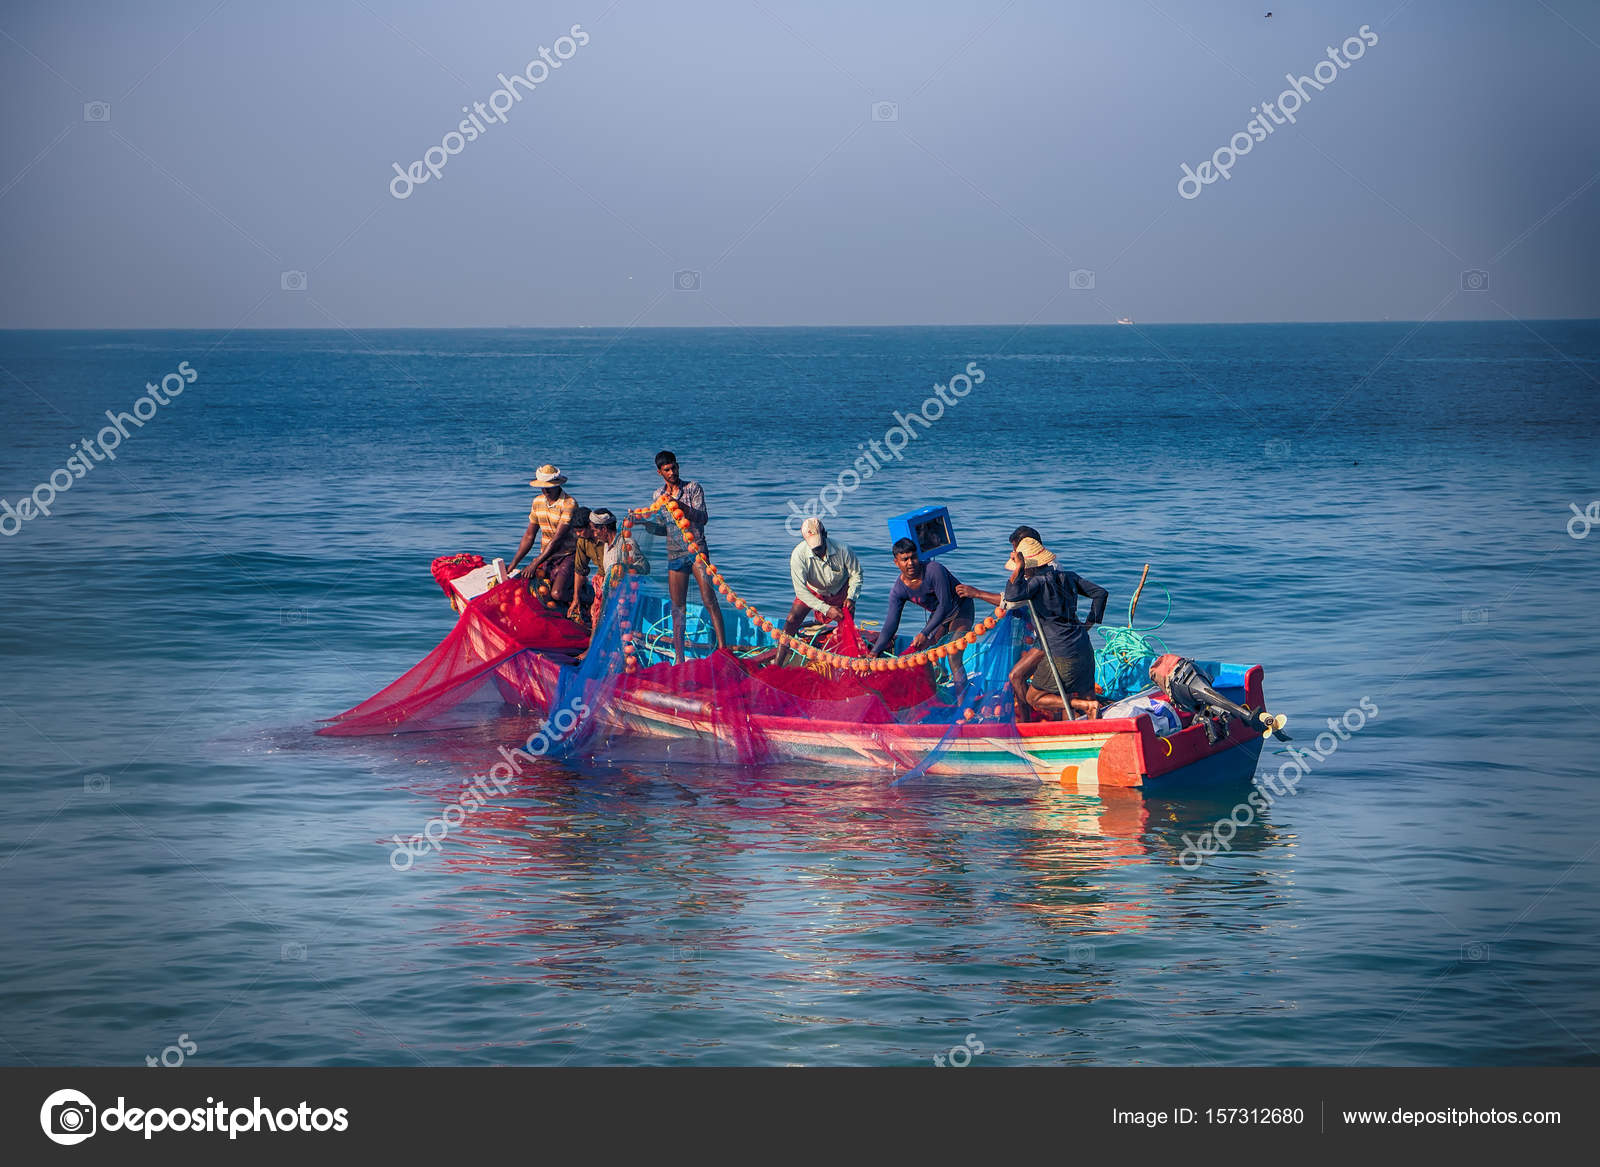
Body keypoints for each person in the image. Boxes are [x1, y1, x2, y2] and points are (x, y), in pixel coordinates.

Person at [999, 537, 1108, 719]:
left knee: (1033, 697)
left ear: (1029, 567)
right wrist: (1089, 622)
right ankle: (1093, 726)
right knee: (1088, 693)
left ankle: (1083, 705)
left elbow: (1011, 596)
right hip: (1083, 646)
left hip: (1060, 652)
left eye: (1024, 570)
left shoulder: (1037, 583)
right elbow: (1100, 593)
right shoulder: (1069, 576)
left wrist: (1018, 568)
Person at [644, 450, 727, 662]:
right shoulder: (658, 496)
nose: (672, 472)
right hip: (675, 554)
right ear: (659, 472)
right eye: (667, 470)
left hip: (697, 551)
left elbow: (703, 517)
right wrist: (645, 523)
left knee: (709, 599)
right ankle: (679, 657)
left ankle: (723, 651)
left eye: (674, 467)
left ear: (678, 466)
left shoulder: (693, 488)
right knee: (677, 607)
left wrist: (681, 506)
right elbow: (663, 528)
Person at [957, 525, 1046, 718]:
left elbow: (1011, 600)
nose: (1013, 555)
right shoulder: (1042, 569)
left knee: (1016, 676)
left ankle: (1026, 722)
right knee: (1020, 676)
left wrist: (977, 593)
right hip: (1041, 635)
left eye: (1016, 551)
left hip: (1047, 640)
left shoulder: (1039, 576)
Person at [869, 537, 975, 692]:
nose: (910, 563)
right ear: (896, 562)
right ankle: (935, 697)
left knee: (953, 655)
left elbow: (945, 604)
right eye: (905, 559)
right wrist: (875, 651)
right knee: (923, 656)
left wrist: (925, 633)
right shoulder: (899, 590)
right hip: (939, 616)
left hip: (960, 609)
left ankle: (962, 703)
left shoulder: (934, 570)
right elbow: (891, 624)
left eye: (913, 557)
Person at [508, 464, 581, 605]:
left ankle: (583, 596)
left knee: (557, 594)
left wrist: (535, 563)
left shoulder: (568, 504)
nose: (545, 490)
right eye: (543, 487)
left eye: (549, 487)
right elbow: (529, 536)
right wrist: (513, 563)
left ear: (557, 485)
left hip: (568, 555)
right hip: (548, 555)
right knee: (535, 589)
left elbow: (557, 540)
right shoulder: (538, 502)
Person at [783, 517, 864, 636]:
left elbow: (856, 574)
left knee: (846, 621)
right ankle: (783, 648)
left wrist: (851, 597)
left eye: (820, 546)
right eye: (814, 548)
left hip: (840, 590)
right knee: (791, 619)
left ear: (825, 534)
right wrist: (826, 609)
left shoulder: (843, 549)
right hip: (814, 590)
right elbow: (800, 590)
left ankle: (844, 641)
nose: (818, 551)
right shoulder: (798, 555)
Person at [570, 508, 648, 622]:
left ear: (604, 529)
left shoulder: (626, 543)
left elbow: (645, 567)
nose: (594, 534)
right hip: (612, 594)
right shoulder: (606, 546)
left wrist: (625, 569)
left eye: (594, 530)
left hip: (626, 596)